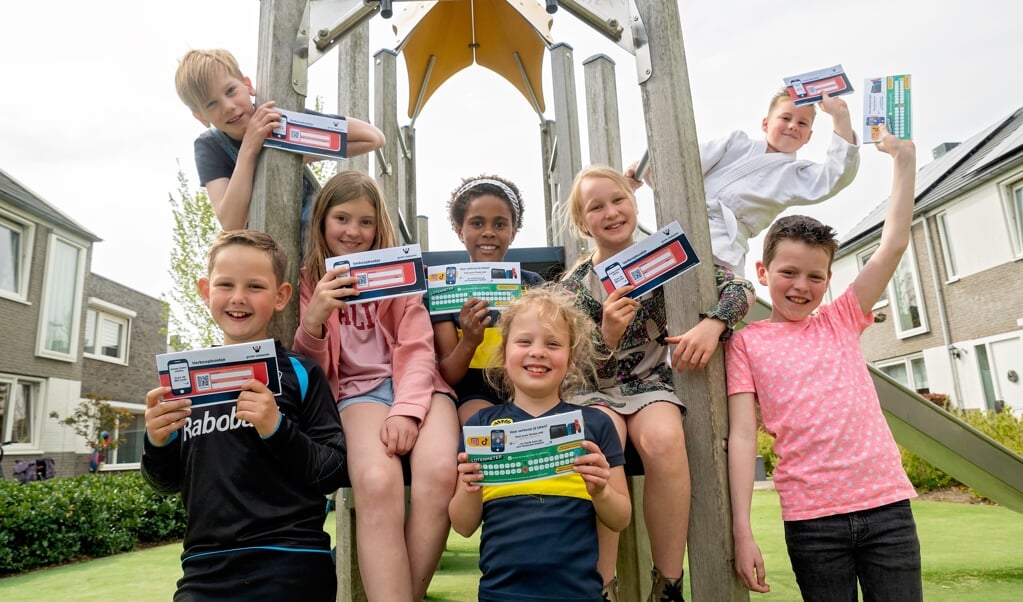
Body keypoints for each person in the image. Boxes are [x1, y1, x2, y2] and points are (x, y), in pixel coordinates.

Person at [726, 126, 920, 600]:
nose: (801, 285)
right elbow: (742, 436)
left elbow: (893, 244)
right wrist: (742, 530)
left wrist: (904, 159)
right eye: (788, 272)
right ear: (762, 272)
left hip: (887, 508)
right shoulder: (746, 343)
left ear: (829, 279)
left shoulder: (841, 319)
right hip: (812, 522)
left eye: (815, 276)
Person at [559, 166, 754, 602]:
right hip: (593, 387)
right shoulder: (573, 288)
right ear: (582, 222)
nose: (611, 212)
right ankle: (601, 584)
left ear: (633, 202)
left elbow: (740, 286)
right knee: (601, 437)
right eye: (596, 207)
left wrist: (713, 324)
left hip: (649, 383)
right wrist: (606, 335)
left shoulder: (665, 257)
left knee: (666, 440)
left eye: (618, 200)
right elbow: (568, 365)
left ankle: (667, 584)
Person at [141, 230, 347, 601]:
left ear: (281, 296)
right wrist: (157, 441)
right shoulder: (183, 382)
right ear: (206, 291)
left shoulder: (300, 373)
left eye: (255, 286)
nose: (238, 298)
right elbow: (165, 482)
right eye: (225, 284)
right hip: (203, 572)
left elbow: (335, 469)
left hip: (291, 565)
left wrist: (277, 429)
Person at [292, 170, 459, 601]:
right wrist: (313, 321)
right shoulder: (312, 279)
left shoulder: (399, 273)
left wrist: (407, 409)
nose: (353, 231)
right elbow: (313, 370)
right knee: (376, 480)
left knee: (441, 473)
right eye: (342, 219)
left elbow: (418, 346)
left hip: (419, 386)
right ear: (323, 221)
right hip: (356, 393)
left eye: (365, 221)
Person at [449, 287, 632, 602]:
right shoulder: (481, 426)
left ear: (570, 358)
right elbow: (463, 526)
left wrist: (601, 491)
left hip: (578, 595)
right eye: (524, 341)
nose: (538, 352)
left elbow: (620, 518)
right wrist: (469, 489)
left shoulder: (596, 425)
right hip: (500, 595)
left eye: (553, 343)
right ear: (504, 354)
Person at [627, 89, 859, 278]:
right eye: (785, 118)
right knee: (650, 289)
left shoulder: (796, 174)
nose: (792, 126)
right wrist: (644, 167)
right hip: (685, 225)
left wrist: (840, 117)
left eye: (802, 123)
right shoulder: (736, 142)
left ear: (809, 136)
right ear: (766, 123)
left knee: (724, 300)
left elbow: (835, 176)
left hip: (725, 245)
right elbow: (686, 163)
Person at [174, 48, 386, 231]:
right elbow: (231, 222)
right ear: (201, 117)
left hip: (314, 241)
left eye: (231, 91)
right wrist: (249, 149)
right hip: (264, 257)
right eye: (212, 104)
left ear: (248, 85)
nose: (228, 106)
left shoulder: (279, 118)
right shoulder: (210, 146)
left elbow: (373, 138)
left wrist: (295, 156)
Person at [432, 175, 546, 424]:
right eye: (477, 223)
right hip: (473, 394)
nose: (488, 233)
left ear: (513, 232)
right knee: (480, 422)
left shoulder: (533, 285)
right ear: (459, 230)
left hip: (530, 389)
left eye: (500, 225)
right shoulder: (443, 290)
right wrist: (470, 340)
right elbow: (448, 374)